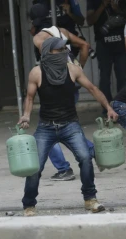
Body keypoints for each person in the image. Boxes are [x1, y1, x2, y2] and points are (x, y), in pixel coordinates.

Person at [18, 37, 118, 216]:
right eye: (59, 49)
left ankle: (90, 199)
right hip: (46, 127)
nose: (64, 51)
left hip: (70, 125)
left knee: (85, 158)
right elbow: (30, 98)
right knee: (35, 167)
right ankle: (29, 204)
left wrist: (108, 107)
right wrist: (26, 115)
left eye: (65, 48)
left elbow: (93, 88)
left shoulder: (72, 69)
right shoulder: (36, 72)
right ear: (48, 52)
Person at [30, 3, 92, 181]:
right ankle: (92, 152)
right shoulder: (61, 30)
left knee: (46, 130)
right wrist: (78, 69)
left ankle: (64, 168)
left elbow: (49, 63)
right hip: (70, 83)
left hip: (53, 88)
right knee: (68, 126)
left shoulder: (39, 38)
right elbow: (85, 45)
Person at [86, 0, 126, 112]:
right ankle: (107, 108)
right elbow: (90, 21)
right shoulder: (93, 2)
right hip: (103, 44)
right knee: (104, 78)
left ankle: (122, 107)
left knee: (122, 78)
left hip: (120, 43)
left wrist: (116, 9)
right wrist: (103, 6)